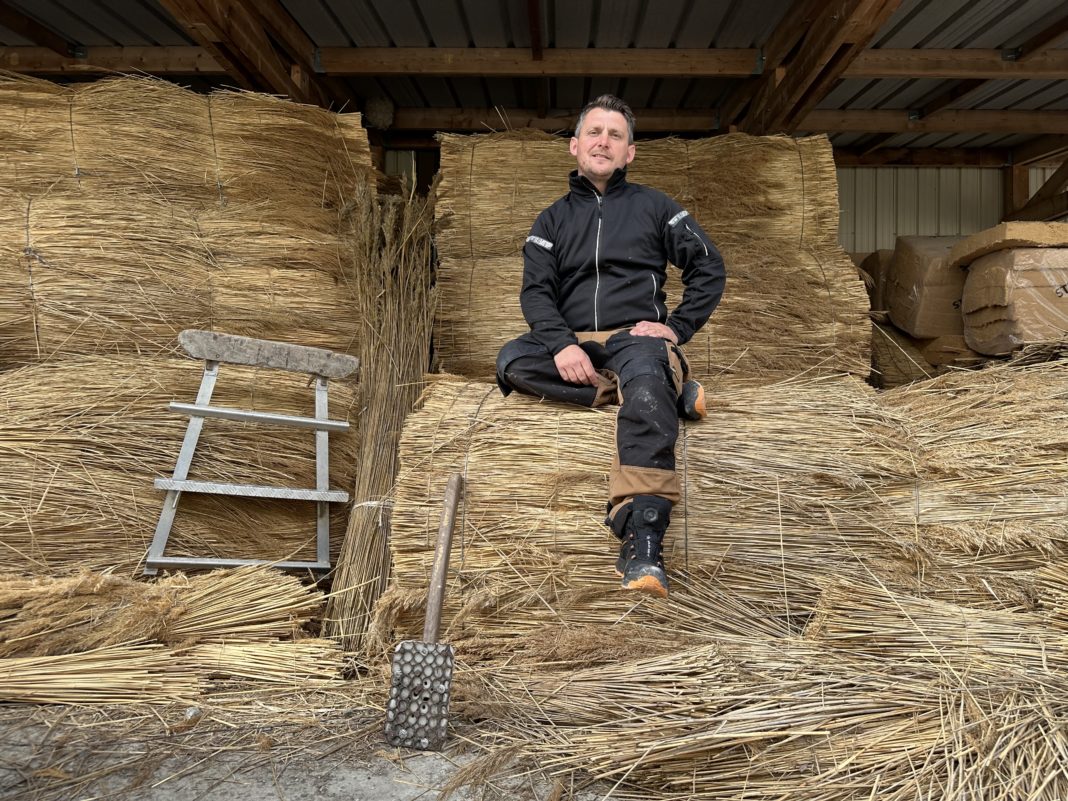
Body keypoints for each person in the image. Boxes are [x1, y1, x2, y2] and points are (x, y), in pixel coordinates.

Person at [495, 95, 726, 598]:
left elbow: (709, 265)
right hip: (573, 341)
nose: (604, 141)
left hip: (632, 339)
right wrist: (559, 345)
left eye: (615, 135)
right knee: (511, 360)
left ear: (629, 153)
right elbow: (536, 293)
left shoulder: (657, 207)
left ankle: (642, 538)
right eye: (594, 133)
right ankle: (666, 387)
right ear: (576, 147)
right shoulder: (550, 221)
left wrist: (677, 329)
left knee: (644, 384)